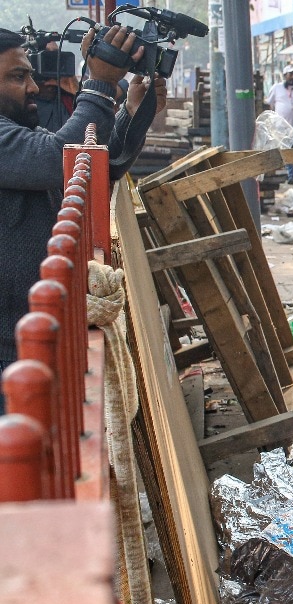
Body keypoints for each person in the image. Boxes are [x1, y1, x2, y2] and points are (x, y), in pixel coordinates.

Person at [1, 25, 162, 414]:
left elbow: (91, 165)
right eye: (17, 77)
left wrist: (132, 112)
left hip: (32, 334)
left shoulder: (17, 130)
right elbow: (58, 158)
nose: (34, 88)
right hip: (12, 346)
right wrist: (99, 84)